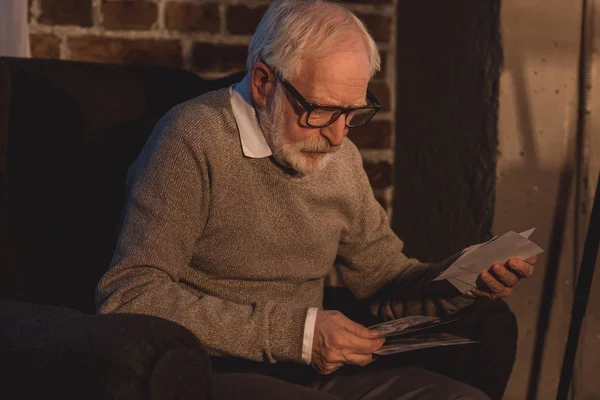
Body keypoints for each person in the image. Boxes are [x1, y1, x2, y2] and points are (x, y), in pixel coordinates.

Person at [96, 0, 536, 398]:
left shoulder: (339, 158)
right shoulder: (192, 139)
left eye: (353, 112)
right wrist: (299, 336)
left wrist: (460, 279)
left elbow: (384, 280)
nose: (338, 135)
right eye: (322, 110)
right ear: (265, 82)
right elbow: (131, 294)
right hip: (211, 367)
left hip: (311, 368)